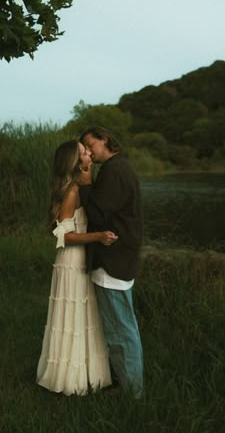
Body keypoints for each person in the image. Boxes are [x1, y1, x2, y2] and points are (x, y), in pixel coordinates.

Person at [36, 139, 118, 396]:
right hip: (71, 262)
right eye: (84, 152)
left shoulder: (75, 187)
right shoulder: (71, 191)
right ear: (75, 161)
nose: (89, 153)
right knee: (73, 317)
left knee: (80, 317)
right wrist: (97, 236)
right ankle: (71, 379)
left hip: (76, 261)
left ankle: (82, 375)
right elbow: (62, 236)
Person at [78, 126, 144, 399]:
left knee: (121, 329)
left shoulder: (113, 171)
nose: (88, 150)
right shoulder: (122, 167)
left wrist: (84, 178)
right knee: (122, 325)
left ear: (104, 140)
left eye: (90, 144)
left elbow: (95, 213)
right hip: (121, 255)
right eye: (84, 147)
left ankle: (131, 393)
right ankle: (128, 384)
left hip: (113, 258)